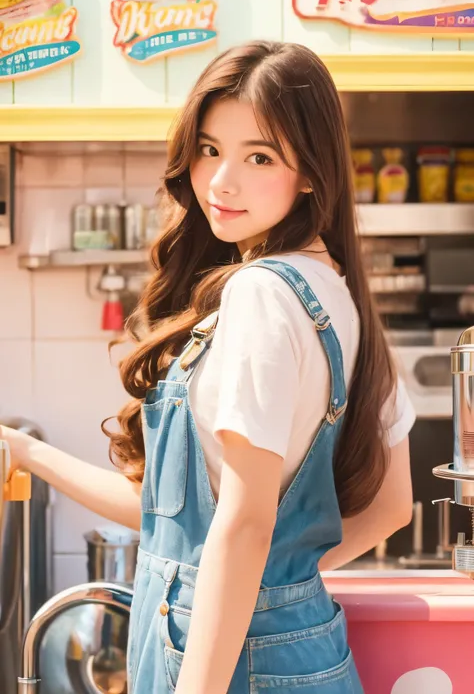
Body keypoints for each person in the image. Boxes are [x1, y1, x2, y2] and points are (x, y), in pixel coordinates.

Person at [1, 41, 415, 694]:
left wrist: (247, 576)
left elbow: (244, 524)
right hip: (303, 649)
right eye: (209, 149)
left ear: (310, 171)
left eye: (259, 157)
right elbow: (390, 506)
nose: (222, 181)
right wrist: (25, 451)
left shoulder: (257, 295)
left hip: (227, 664)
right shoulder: (341, 295)